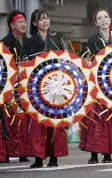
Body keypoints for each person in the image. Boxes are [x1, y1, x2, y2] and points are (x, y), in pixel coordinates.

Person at [79, 8, 112, 164]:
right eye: (100, 18)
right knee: (94, 117)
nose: (103, 20)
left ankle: (108, 153)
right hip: (96, 82)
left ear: (110, 19)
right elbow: (84, 61)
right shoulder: (91, 40)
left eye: (106, 17)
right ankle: (93, 153)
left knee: (111, 117)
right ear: (96, 23)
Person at [24, 9, 70, 168]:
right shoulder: (29, 42)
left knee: (55, 122)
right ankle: (38, 157)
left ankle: (54, 157)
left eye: (46, 18)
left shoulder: (57, 39)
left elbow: (67, 60)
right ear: (35, 23)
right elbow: (24, 66)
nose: (45, 21)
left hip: (56, 87)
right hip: (38, 88)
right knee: (38, 123)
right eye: (41, 19)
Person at [0, 10, 30, 163]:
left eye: (24, 21)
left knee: (23, 119)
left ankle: (22, 151)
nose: (23, 24)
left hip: (23, 87)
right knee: (9, 119)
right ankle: (6, 152)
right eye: (20, 22)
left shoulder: (27, 42)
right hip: (9, 87)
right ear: (12, 25)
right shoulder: (5, 43)